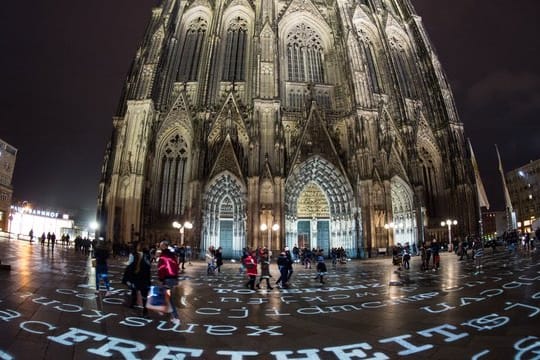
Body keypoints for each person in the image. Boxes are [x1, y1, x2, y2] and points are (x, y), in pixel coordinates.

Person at [157, 240, 181, 325]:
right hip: (172, 278)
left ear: (164, 246)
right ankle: (163, 309)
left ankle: (175, 317)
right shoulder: (172, 255)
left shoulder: (163, 256)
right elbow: (176, 267)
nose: (160, 247)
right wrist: (176, 278)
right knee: (165, 295)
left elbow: (161, 268)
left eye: (160, 245)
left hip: (167, 278)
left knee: (168, 298)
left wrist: (160, 279)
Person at [125, 242, 151, 317]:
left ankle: (133, 303)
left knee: (134, 289)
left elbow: (130, 265)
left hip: (136, 276)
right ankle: (145, 310)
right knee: (144, 294)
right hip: (144, 276)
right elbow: (148, 266)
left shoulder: (133, 254)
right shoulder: (147, 255)